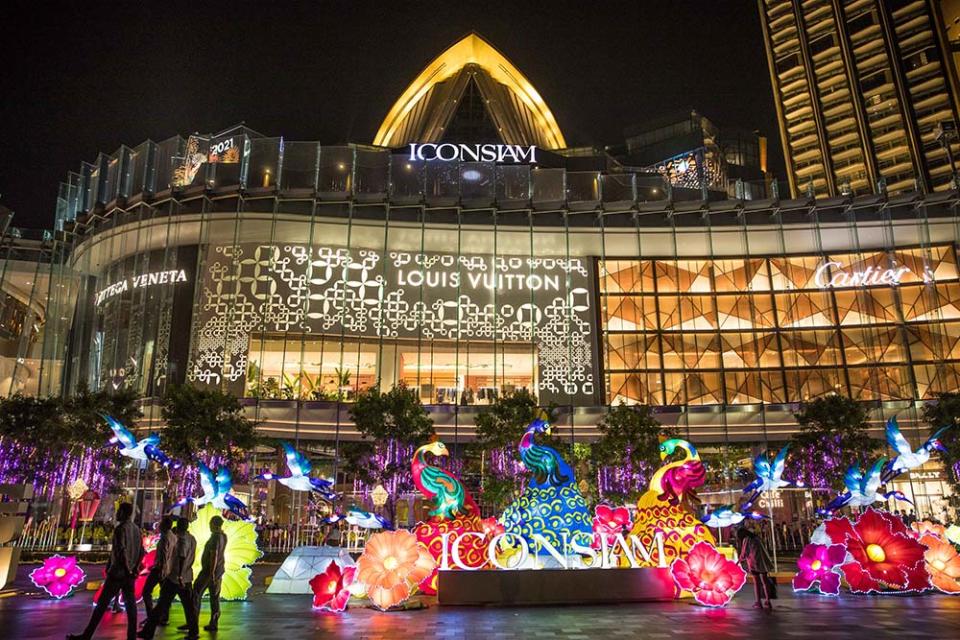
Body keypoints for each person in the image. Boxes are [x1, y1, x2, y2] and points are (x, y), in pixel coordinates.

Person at [67, 502, 144, 640]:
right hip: (130, 574)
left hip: (118, 573)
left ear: (124, 513)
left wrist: (126, 568)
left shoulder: (121, 529)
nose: (116, 514)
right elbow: (141, 552)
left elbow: (121, 551)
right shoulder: (137, 530)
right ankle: (131, 636)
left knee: (101, 606)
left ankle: (87, 635)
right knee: (131, 608)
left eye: (119, 511)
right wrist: (135, 568)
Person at [137, 517, 198, 640]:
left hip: (176, 577)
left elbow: (181, 556)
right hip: (186, 577)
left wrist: (179, 575)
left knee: (161, 604)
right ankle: (193, 631)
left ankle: (148, 631)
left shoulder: (181, 540)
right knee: (188, 606)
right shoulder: (191, 538)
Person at [189, 515, 227, 632]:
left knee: (196, 593)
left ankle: (193, 621)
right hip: (219, 571)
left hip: (208, 572)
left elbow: (214, 555)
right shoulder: (223, 536)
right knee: (214, 597)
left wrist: (211, 572)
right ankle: (213, 622)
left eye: (210, 524)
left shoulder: (215, 537)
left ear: (214, 524)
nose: (209, 526)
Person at [141, 516, 175, 625]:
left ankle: (151, 615)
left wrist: (161, 569)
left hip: (160, 569)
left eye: (160, 523)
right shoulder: (173, 537)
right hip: (168, 569)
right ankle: (164, 616)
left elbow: (164, 555)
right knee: (164, 594)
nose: (158, 525)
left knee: (146, 591)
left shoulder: (165, 538)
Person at [737, 524, 774, 609]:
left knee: (756, 583)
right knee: (765, 582)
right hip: (763, 562)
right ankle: (768, 601)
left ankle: (758, 602)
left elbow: (744, 553)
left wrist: (738, 561)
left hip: (754, 563)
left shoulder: (746, 539)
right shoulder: (756, 538)